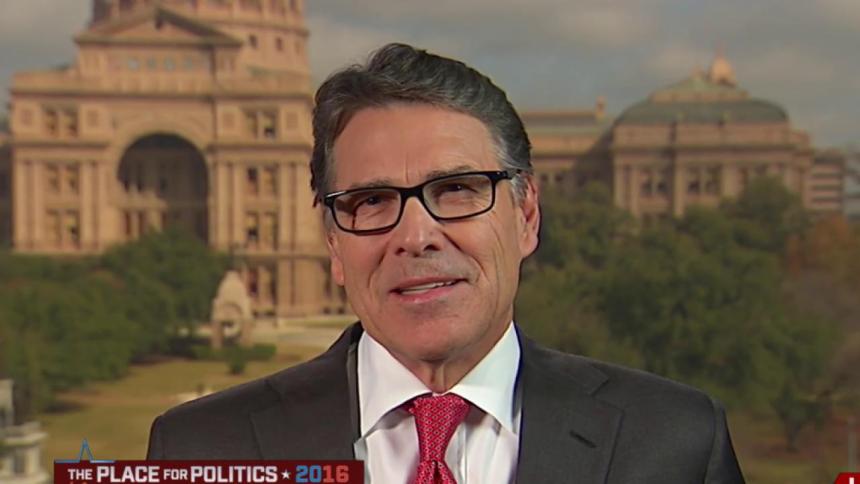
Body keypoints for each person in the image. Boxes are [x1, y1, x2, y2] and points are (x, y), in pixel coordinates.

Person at [147, 43, 746, 483]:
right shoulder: (201, 450)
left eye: (457, 189)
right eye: (371, 200)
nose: (416, 237)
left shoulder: (675, 443)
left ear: (526, 216)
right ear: (333, 244)